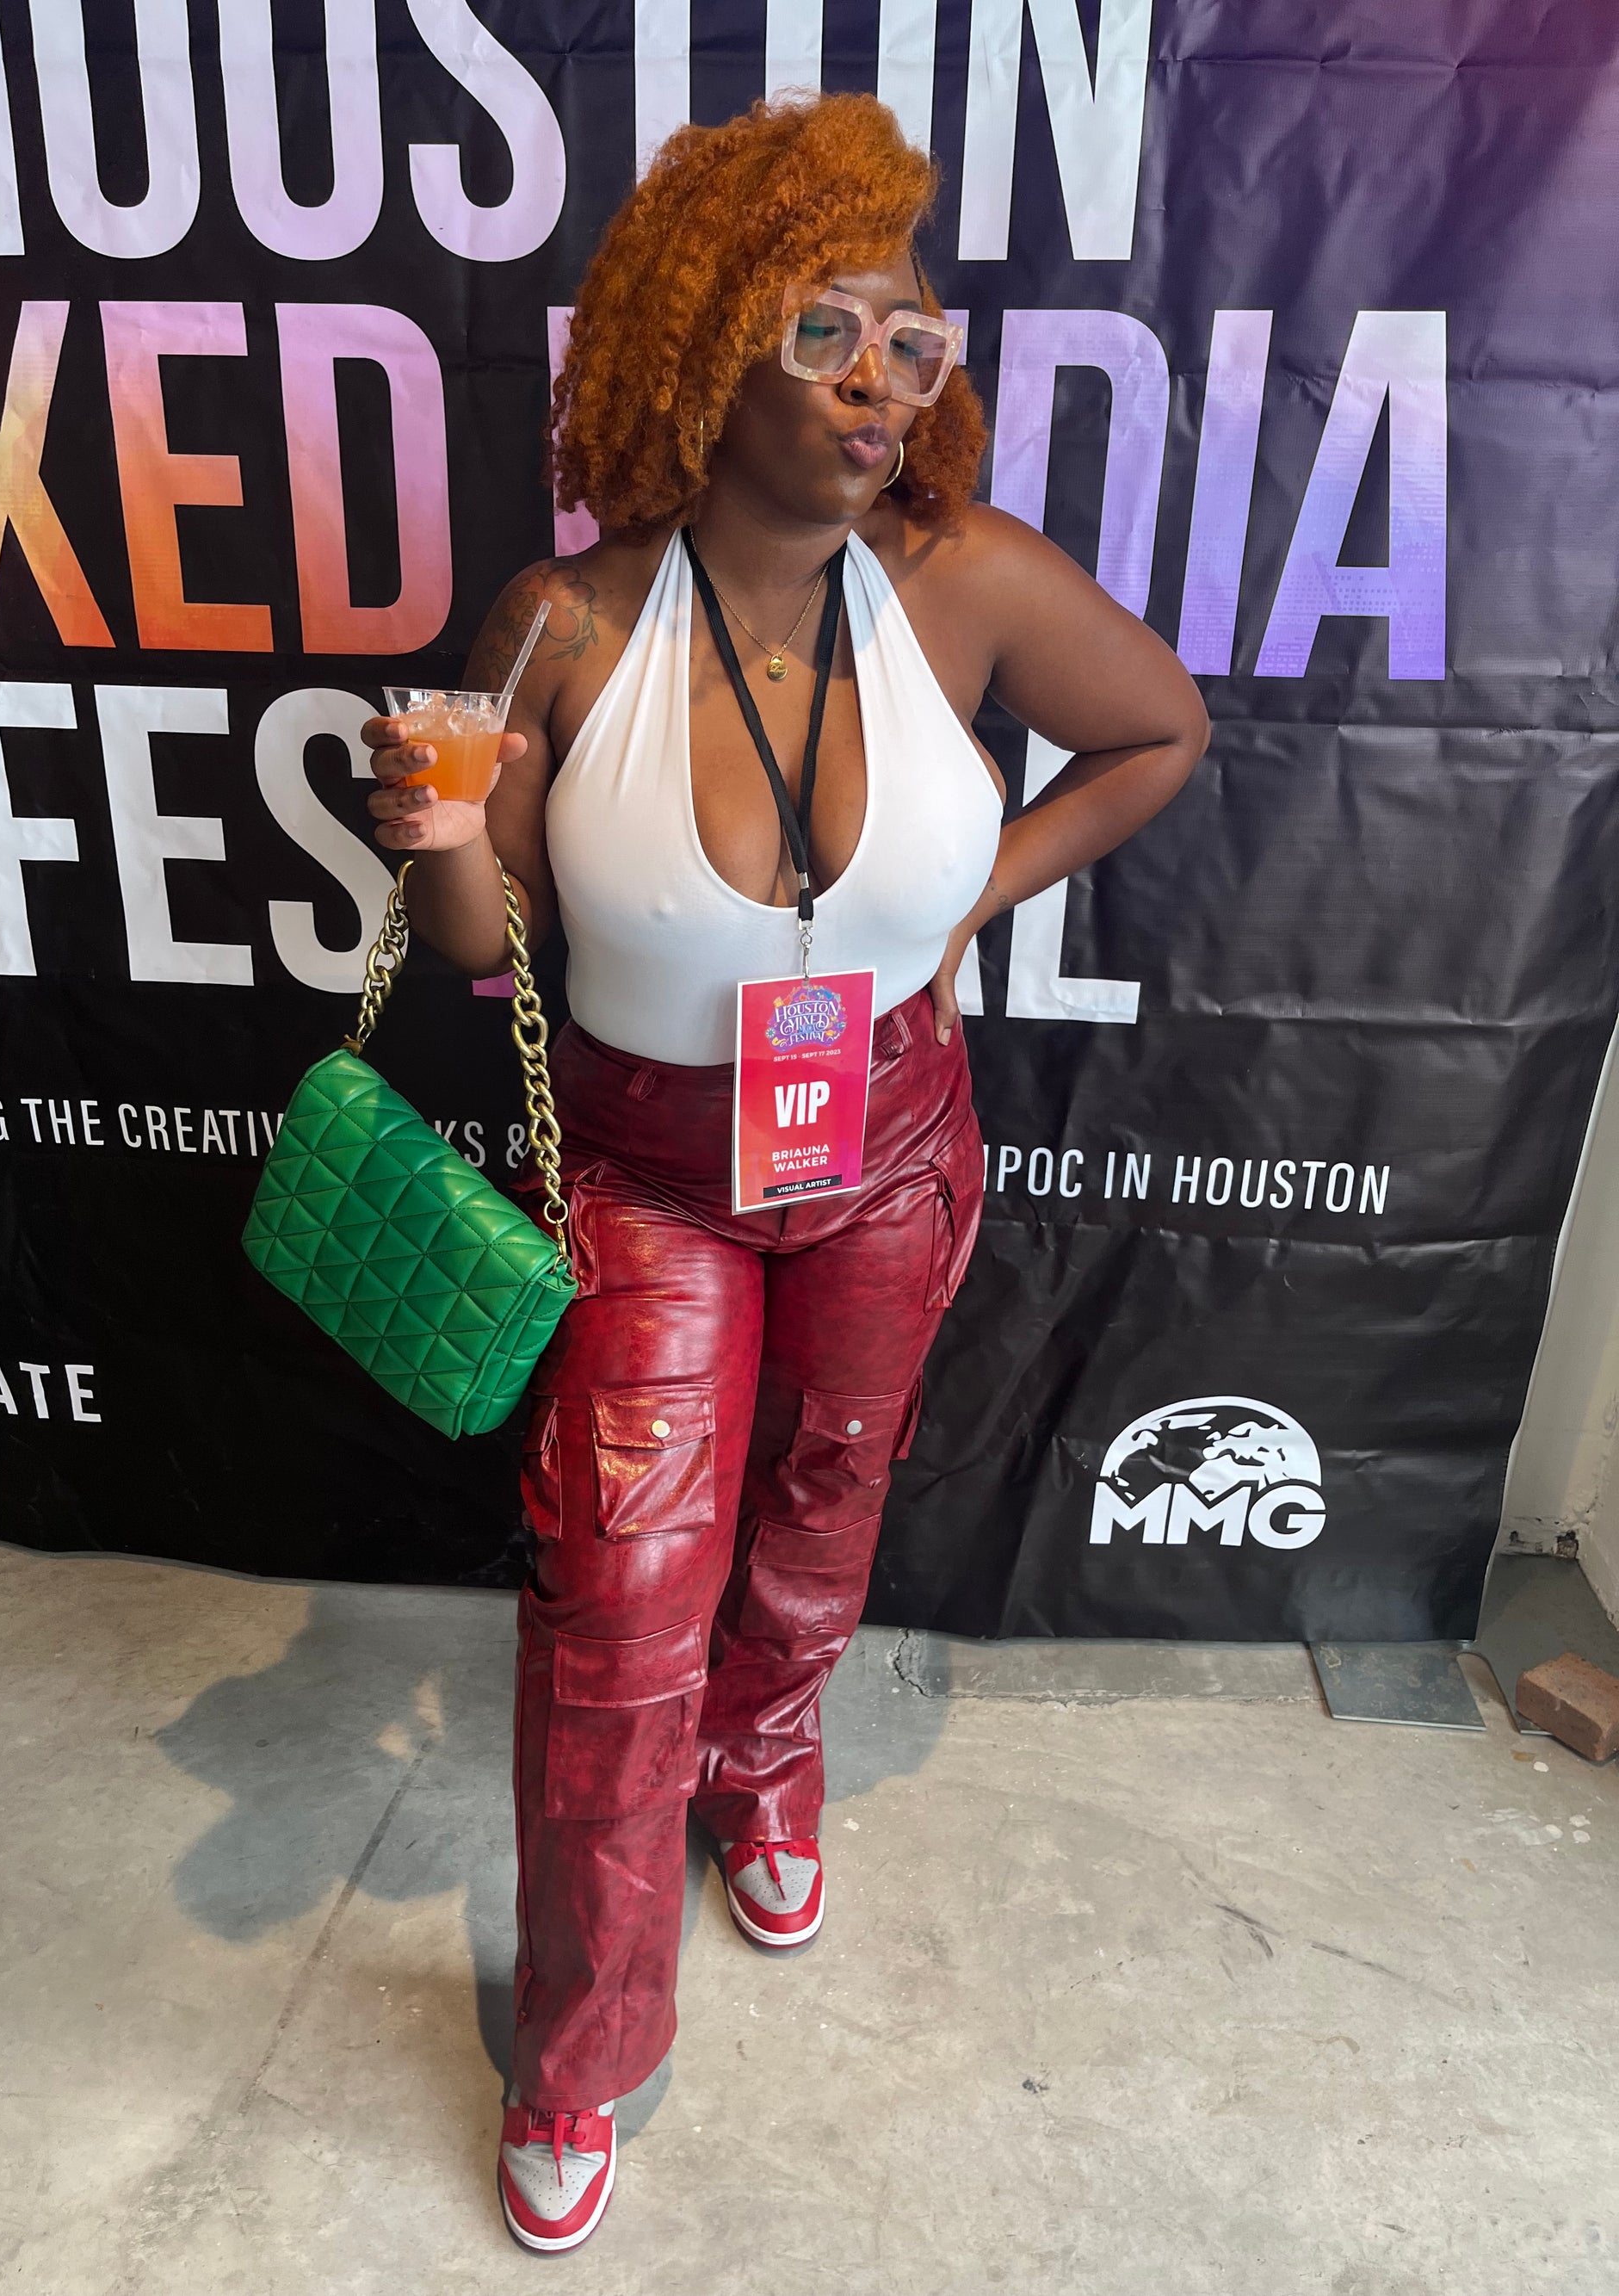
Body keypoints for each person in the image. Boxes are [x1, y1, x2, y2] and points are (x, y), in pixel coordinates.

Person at [362, 91, 1208, 2253]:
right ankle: (579, 2043)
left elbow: (1159, 730)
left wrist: (970, 896)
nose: (874, 385)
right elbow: (482, 948)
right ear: (696, 345)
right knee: (616, 1603)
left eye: (910, 343)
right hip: (647, 1176)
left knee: (826, 1510)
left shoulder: (964, 583)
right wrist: (437, 832)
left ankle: (765, 1760)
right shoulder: (564, 624)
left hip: (890, 1143)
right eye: (822, 331)